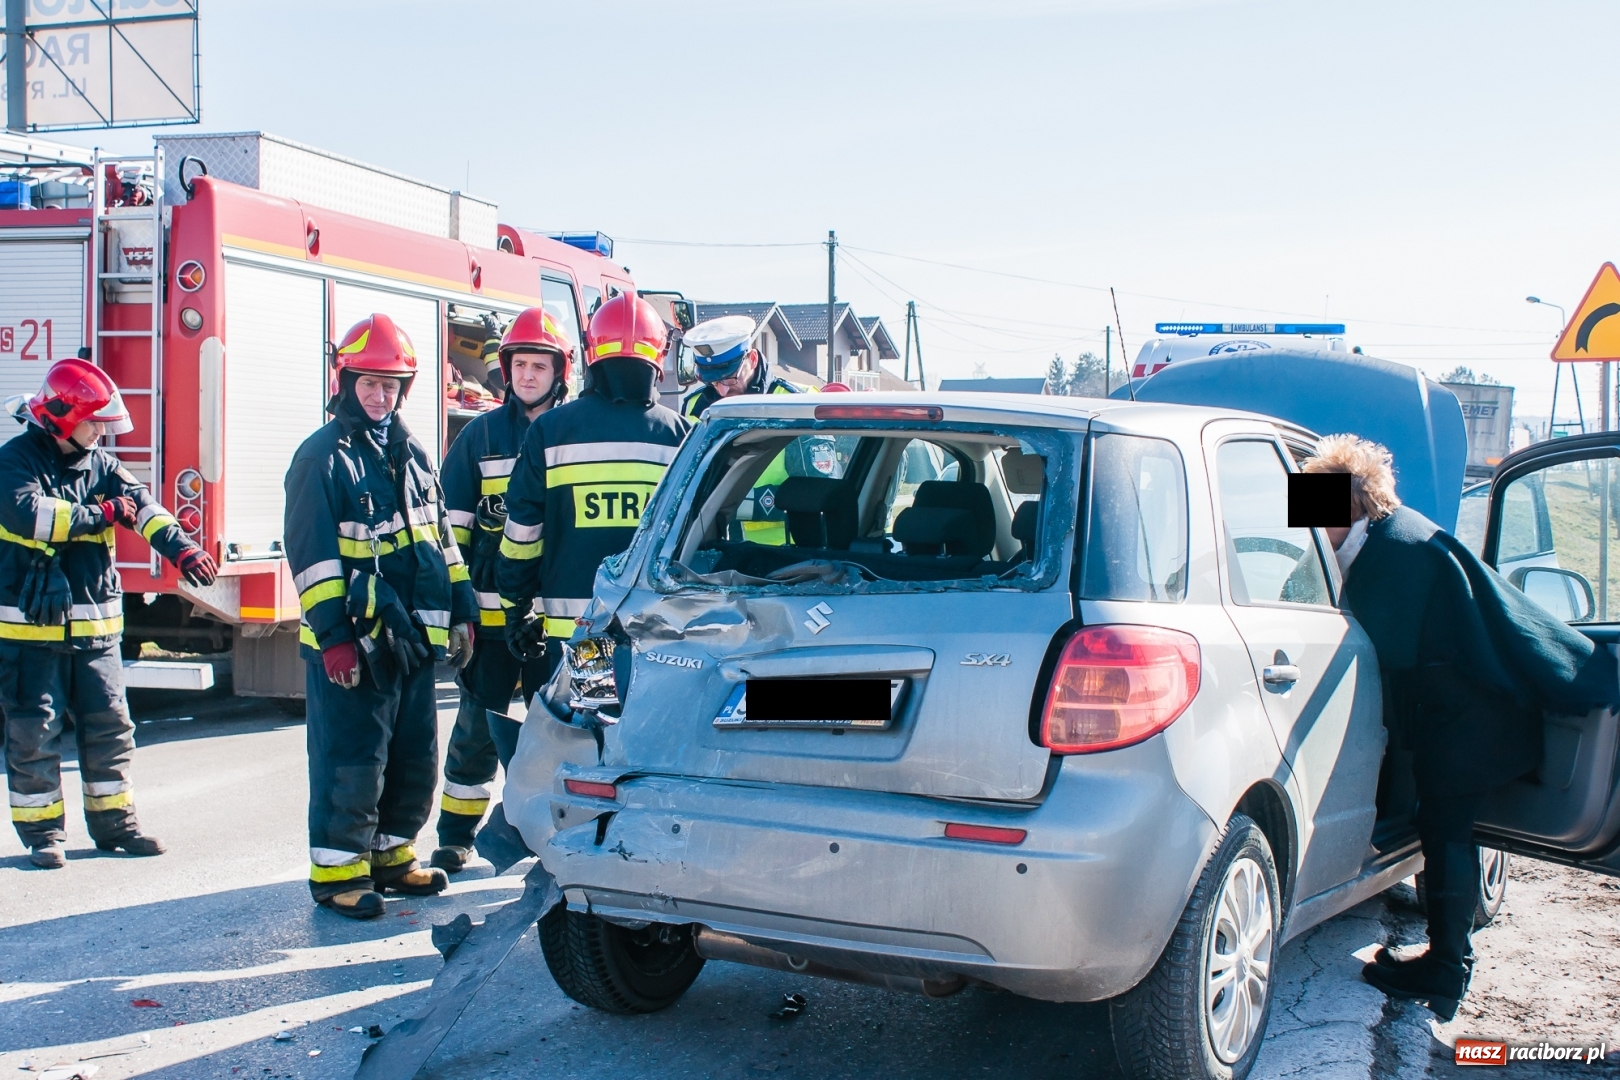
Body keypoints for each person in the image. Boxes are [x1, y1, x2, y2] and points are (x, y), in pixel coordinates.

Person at [1302, 434, 1618, 1019]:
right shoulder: (1392, 536)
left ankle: (1447, 971)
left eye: (1315, 507)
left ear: (1349, 503)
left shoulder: (1397, 551)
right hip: (1463, 711)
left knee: (1446, 832)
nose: (1308, 526)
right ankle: (1447, 964)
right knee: (1447, 830)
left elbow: (1380, 648)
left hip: (1472, 716)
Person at [284, 313, 478, 920]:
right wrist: (335, 639)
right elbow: (311, 557)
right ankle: (338, 872)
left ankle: (392, 855)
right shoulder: (320, 457)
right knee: (352, 758)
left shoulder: (412, 452)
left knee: (412, 756)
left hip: (412, 638)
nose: (379, 395)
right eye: (368, 383)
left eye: (389, 385)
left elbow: (441, 540)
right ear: (346, 382)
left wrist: (463, 608)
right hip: (356, 642)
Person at [0, 359, 217, 869]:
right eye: (93, 422)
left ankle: (117, 826)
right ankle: (43, 835)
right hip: (30, 631)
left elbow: (143, 507)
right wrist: (102, 513)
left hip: (96, 629)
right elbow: (32, 516)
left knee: (111, 729)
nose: (101, 432)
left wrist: (182, 549)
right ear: (63, 418)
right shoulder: (14, 461)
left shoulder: (100, 464)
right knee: (34, 732)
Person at [431, 308, 572, 872]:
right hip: (491, 620)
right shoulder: (480, 436)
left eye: (539, 366)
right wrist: (459, 609)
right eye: (520, 365)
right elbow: (452, 532)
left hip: (556, 621)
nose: (528, 376)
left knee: (557, 733)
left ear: (558, 373)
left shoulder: (573, 432)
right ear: (507, 369)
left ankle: (550, 837)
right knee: (475, 729)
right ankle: (454, 836)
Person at [498, 293, 688, 665]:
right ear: (659, 355)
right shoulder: (682, 436)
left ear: (592, 351)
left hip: (572, 635)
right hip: (661, 636)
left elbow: (522, 534)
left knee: (568, 709)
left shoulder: (549, 431)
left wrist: (516, 608)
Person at [680, 315, 804, 544]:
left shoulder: (795, 404)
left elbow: (818, 496)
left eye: (730, 379)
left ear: (752, 359)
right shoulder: (694, 407)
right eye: (713, 382)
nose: (722, 391)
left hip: (781, 555)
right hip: (708, 553)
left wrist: (739, 503)